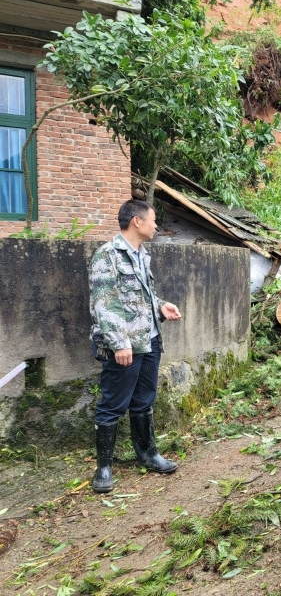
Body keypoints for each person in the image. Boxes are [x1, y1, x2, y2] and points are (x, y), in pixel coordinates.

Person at [89, 199, 182, 493]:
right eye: (153, 220)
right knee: (113, 404)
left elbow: (143, 296)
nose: (156, 225)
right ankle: (103, 467)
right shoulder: (108, 255)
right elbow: (104, 303)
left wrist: (162, 306)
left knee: (144, 401)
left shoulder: (142, 255)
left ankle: (148, 454)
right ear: (137, 221)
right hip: (125, 345)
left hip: (150, 339)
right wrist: (119, 343)